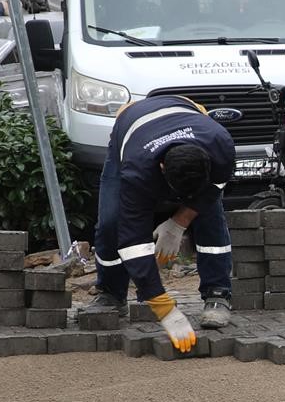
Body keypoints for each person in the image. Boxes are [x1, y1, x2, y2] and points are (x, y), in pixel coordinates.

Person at [85, 94, 238, 351]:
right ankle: (111, 292)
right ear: (163, 167)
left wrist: (180, 221)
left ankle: (218, 293)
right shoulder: (137, 169)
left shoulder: (220, 143)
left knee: (209, 212)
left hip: (188, 113)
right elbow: (133, 240)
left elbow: (215, 187)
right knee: (111, 221)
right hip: (131, 129)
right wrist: (163, 307)